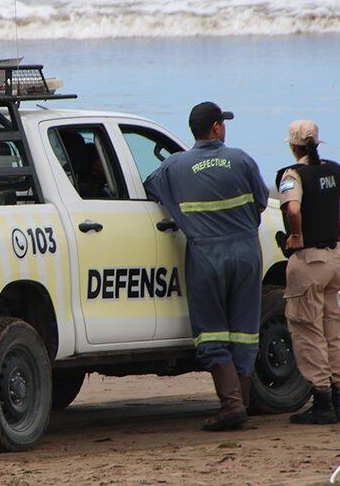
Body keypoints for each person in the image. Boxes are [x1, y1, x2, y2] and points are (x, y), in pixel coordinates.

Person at [145, 101, 269, 431]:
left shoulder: (174, 166)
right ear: (216, 128)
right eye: (222, 123)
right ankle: (238, 403)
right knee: (244, 330)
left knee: (211, 329)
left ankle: (231, 406)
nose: (224, 127)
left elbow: (151, 185)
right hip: (246, 252)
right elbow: (261, 202)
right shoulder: (241, 159)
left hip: (206, 256)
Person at [276, 119, 340, 424]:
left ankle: (321, 401)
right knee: (332, 333)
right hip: (336, 260)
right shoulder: (333, 170)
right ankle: (338, 399)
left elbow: (293, 209)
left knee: (307, 331)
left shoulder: (292, 175)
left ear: (293, 146)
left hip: (308, 261)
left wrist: (295, 234)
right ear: (318, 143)